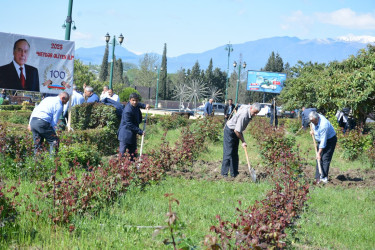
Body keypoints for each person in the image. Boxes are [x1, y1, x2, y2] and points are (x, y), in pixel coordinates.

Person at [221, 102, 261, 177]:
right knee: (228, 152)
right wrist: (243, 141)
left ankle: (234, 174)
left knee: (234, 153)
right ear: (251, 108)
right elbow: (237, 131)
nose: (255, 115)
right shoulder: (244, 115)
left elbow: (242, 105)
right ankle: (224, 174)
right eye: (254, 112)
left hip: (237, 130)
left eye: (257, 113)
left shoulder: (248, 107)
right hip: (230, 130)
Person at [117, 93, 150, 159]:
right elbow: (129, 124)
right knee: (122, 154)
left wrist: (145, 106)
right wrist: (140, 131)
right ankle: (120, 166)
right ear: (130, 100)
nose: (135, 102)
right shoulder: (127, 110)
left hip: (132, 133)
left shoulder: (136, 104)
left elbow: (139, 104)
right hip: (125, 134)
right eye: (133, 100)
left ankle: (132, 165)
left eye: (136, 100)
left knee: (133, 153)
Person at [309, 111, 337, 183]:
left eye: (315, 122)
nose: (314, 123)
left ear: (317, 118)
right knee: (318, 159)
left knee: (325, 158)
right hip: (320, 140)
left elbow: (323, 141)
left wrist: (319, 152)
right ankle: (318, 178)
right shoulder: (313, 120)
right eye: (312, 122)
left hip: (330, 140)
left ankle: (324, 178)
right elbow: (312, 126)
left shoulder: (324, 124)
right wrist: (312, 132)